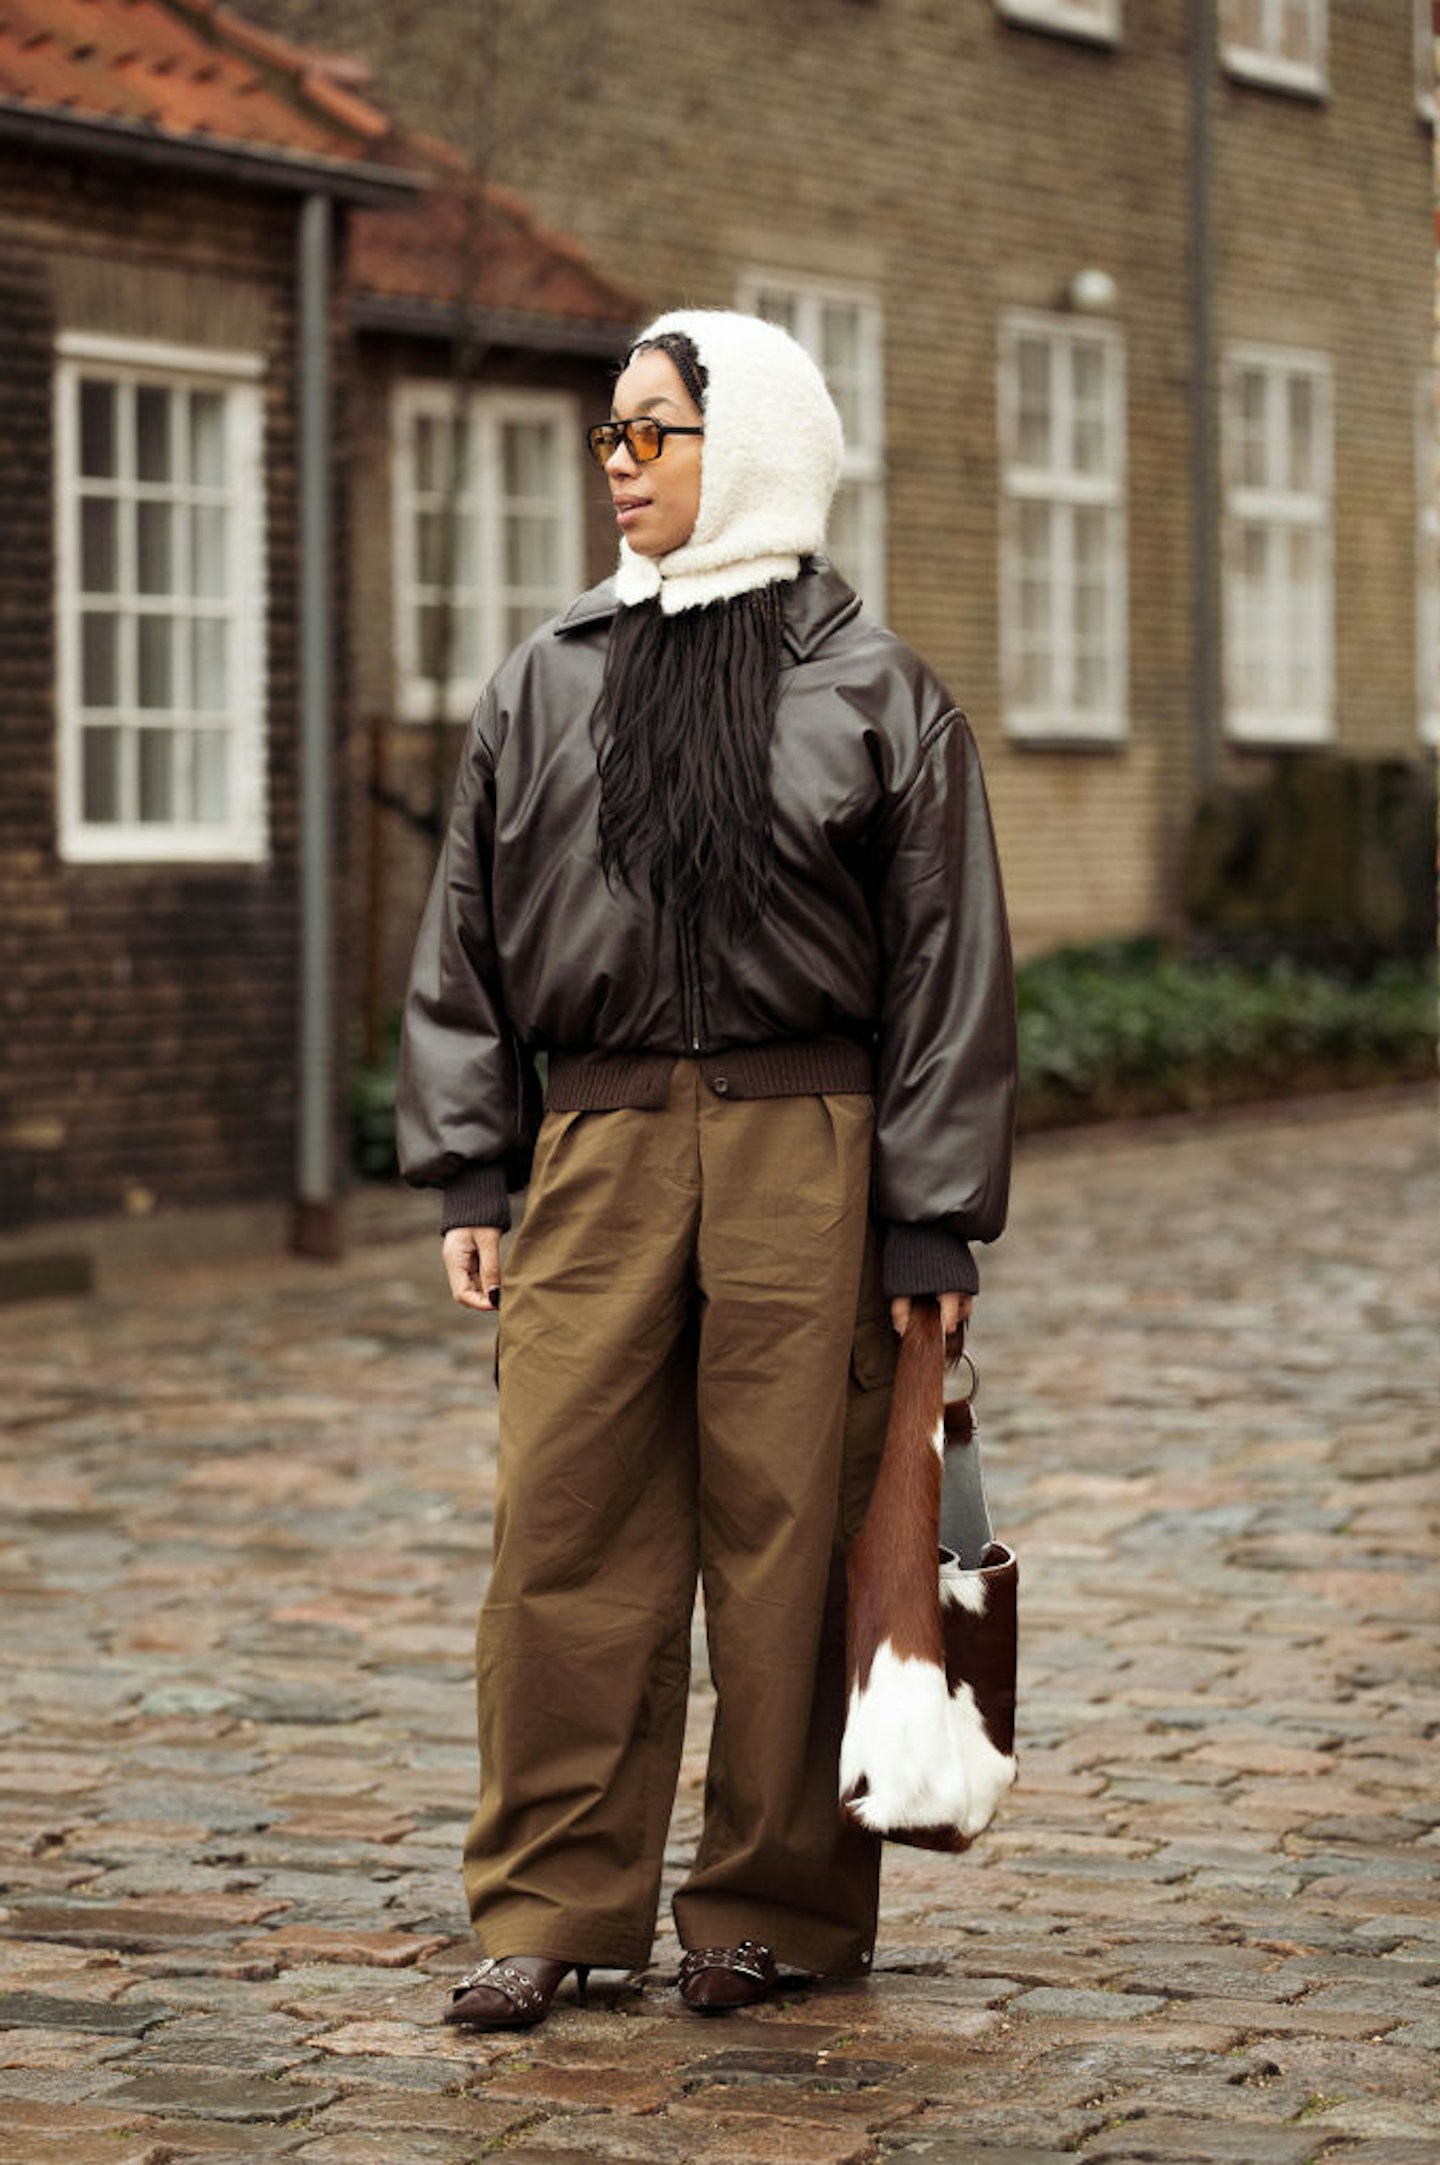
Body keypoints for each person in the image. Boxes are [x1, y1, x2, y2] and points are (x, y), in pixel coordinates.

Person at [396, 308, 1016, 2031]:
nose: (619, 463)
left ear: (749, 448)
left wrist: (929, 1214)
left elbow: (947, 969)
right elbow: (465, 938)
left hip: (803, 1144)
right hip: (592, 1148)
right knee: (565, 1528)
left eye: (654, 434)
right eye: (609, 434)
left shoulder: (878, 692)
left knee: (793, 1535)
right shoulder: (548, 675)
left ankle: (776, 1907)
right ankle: (546, 1903)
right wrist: (470, 1167)